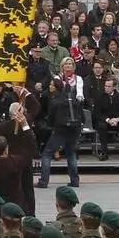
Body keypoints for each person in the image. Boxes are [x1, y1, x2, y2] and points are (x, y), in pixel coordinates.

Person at [38, 59, 85, 189]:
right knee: (71, 154)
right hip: (74, 128)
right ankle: (75, 181)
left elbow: (52, 117)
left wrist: (51, 126)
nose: (50, 87)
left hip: (60, 129)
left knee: (47, 153)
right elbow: (81, 113)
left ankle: (43, 181)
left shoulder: (55, 100)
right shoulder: (74, 98)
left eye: (52, 85)